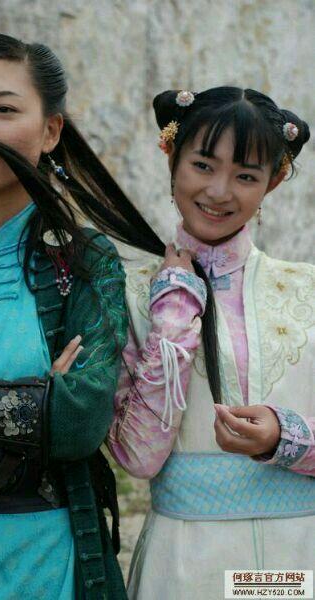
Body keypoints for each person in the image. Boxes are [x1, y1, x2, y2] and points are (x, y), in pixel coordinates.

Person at [0, 32, 164, 600]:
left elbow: (79, 422)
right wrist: (38, 398)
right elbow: (55, 414)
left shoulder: (85, 260)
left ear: (51, 130)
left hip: (44, 566)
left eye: (4, 110)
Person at [107, 86, 314, 599]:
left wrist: (285, 438)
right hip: (183, 566)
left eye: (246, 175)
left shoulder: (308, 290)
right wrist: (175, 307)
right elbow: (138, 456)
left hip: (297, 563)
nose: (220, 191)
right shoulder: (129, 294)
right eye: (202, 165)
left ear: (273, 181)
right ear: (171, 158)